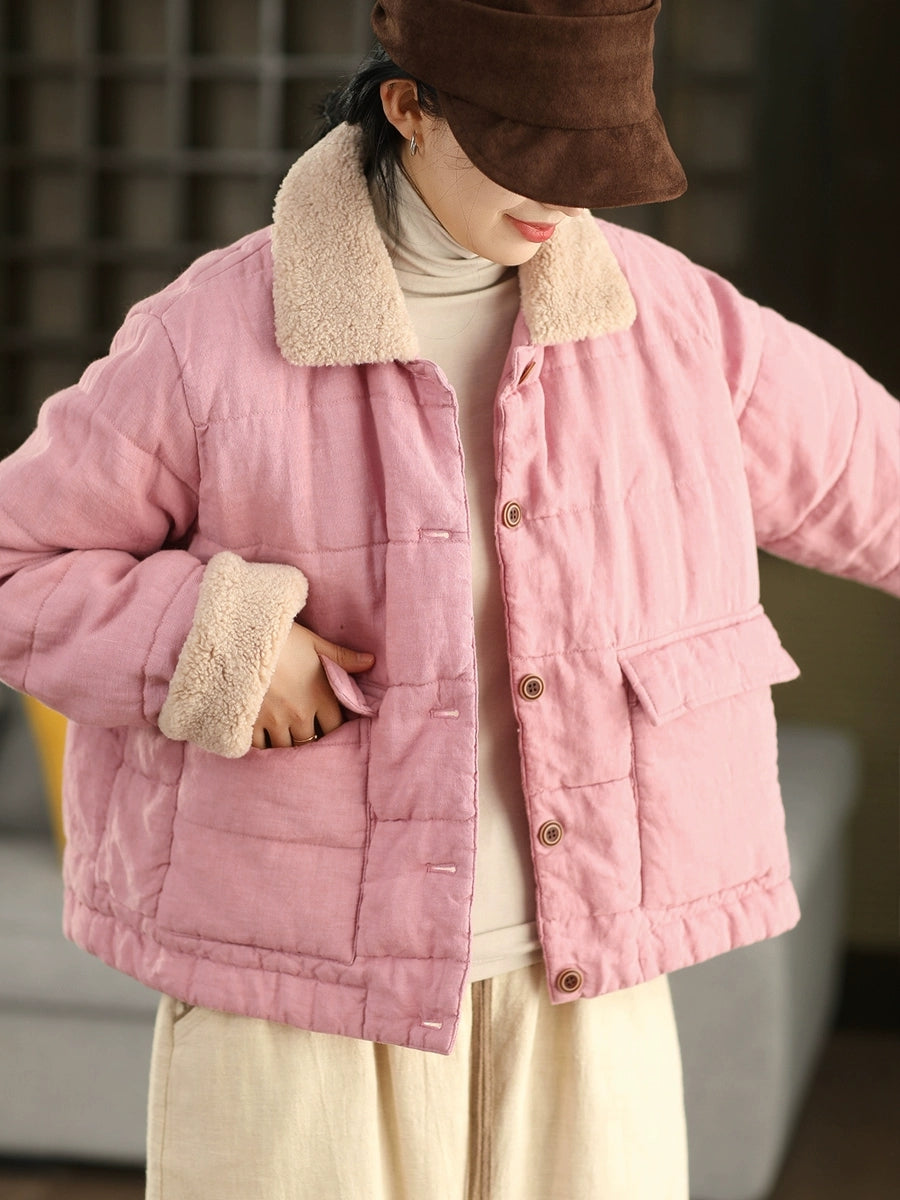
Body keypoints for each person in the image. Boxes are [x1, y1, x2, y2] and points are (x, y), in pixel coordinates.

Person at [0, 2, 897, 1197]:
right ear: (408, 108)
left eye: (593, 160)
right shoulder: (205, 336)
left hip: (586, 978)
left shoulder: (678, 323)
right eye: (530, 151)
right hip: (294, 994)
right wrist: (217, 644)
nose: (563, 198)